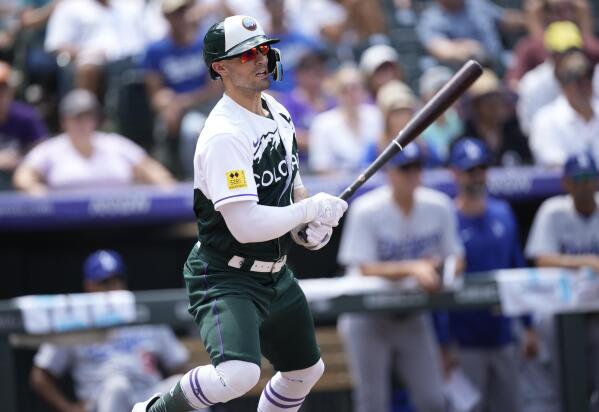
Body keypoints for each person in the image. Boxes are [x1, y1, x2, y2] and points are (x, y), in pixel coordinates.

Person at [133, 15, 348, 412]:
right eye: (247, 54)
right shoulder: (224, 135)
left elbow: (292, 186)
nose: (260, 59)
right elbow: (246, 225)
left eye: (263, 49)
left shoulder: (277, 111)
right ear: (221, 67)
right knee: (238, 374)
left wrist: (310, 227)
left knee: (305, 369)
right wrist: (310, 207)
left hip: (274, 270)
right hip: (225, 273)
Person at [337, 144, 464, 412]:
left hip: (412, 312)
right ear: (389, 173)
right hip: (367, 317)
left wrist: (443, 269)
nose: (412, 174)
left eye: (416, 167)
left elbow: (456, 257)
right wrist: (414, 268)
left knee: (433, 400)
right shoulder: (367, 209)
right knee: (373, 403)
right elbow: (364, 267)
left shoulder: (438, 205)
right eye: (405, 168)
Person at [30, 249, 192, 412]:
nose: (113, 287)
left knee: (185, 386)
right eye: (105, 282)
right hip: (101, 400)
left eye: (117, 280)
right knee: (117, 386)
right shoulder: (75, 321)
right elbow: (40, 376)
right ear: (89, 285)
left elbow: (179, 365)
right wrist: (69, 408)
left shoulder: (142, 312)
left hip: (147, 395)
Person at [444, 138, 538, 412]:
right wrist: (443, 345)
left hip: (504, 334)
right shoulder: (446, 216)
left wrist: (529, 325)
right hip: (463, 341)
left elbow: (516, 266)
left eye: (481, 169)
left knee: (511, 406)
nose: (476, 176)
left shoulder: (503, 212)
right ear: (455, 173)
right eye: (469, 170)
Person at [12, 89, 174, 194]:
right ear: (64, 121)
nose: (82, 123)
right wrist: (40, 194)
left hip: (123, 223)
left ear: (95, 120)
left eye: (87, 117)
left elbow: (154, 171)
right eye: (76, 117)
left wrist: (167, 191)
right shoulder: (51, 149)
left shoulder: (116, 144)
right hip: (65, 227)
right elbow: (23, 176)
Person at [141, 0, 221, 179]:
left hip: (209, 106)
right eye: (176, 13)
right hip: (175, 111)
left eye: (185, 10)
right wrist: (167, 103)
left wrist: (180, 103)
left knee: (194, 129)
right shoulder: (155, 50)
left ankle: (201, 183)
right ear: (166, 17)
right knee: (175, 126)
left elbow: (214, 88)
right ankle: (175, 176)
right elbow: (155, 96)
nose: (182, 17)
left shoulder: (208, 43)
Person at [528, 49, 599, 167]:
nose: (585, 84)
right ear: (562, 84)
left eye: (588, 76)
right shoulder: (546, 120)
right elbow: (555, 165)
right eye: (577, 79)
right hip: (565, 185)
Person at [308, 65, 382, 173]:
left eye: (355, 87)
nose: (351, 93)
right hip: (339, 187)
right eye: (344, 89)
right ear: (336, 92)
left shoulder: (376, 116)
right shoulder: (322, 124)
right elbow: (321, 167)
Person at [416, 0, 524, 70]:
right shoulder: (431, 19)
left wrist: (530, 19)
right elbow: (441, 50)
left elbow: (505, 19)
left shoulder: (477, 4)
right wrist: (467, 49)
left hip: (498, 63)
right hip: (465, 73)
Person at [458, 69, 532, 167]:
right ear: (476, 105)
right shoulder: (465, 140)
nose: (495, 104)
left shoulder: (515, 134)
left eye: (497, 97)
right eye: (488, 99)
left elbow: (529, 164)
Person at [0, 61, 48, 190]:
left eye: (3, 89)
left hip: (21, 173)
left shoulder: (26, 115)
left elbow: (43, 149)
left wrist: (22, 159)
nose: (0, 95)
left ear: (11, 90)